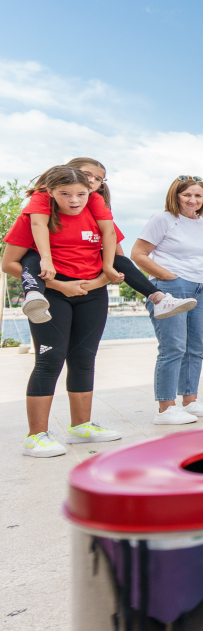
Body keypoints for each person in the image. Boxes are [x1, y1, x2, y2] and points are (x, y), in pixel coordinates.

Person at [2, 166, 122, 457]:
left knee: (84, 359)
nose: (74, 200)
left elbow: (116, 258)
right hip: (52, 295)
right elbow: (9, 264)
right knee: (50, 360)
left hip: (93, 294)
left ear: (91, 191)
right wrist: (59, 285)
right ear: (51, 192)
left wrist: (97, 282)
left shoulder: (97, 214)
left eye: (81, 193)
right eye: (65, 194)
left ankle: (81, 426)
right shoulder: (33, 217)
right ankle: (35, 436)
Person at [16, 157, 196, 325]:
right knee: (31, 256)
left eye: (98, 179)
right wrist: (48, 264)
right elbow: (38, 224)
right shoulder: (42, 196)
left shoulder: (95, 200)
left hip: (91, 288)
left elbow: (110, 235)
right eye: (87, 175)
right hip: (51, 278)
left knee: (119, 260)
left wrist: (108, 270)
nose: (92, 181)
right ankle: (33, 294)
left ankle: (158, 298)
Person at [131, 176, 203, 424]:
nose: (193, 200)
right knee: (173, 348)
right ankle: (165, 408)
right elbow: (138, 254)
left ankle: (190, 400)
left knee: (196, 348)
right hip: (172, 287)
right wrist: (169, 276)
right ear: (175, 195)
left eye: (198, 195)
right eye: (187, 195)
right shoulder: (163, 219)